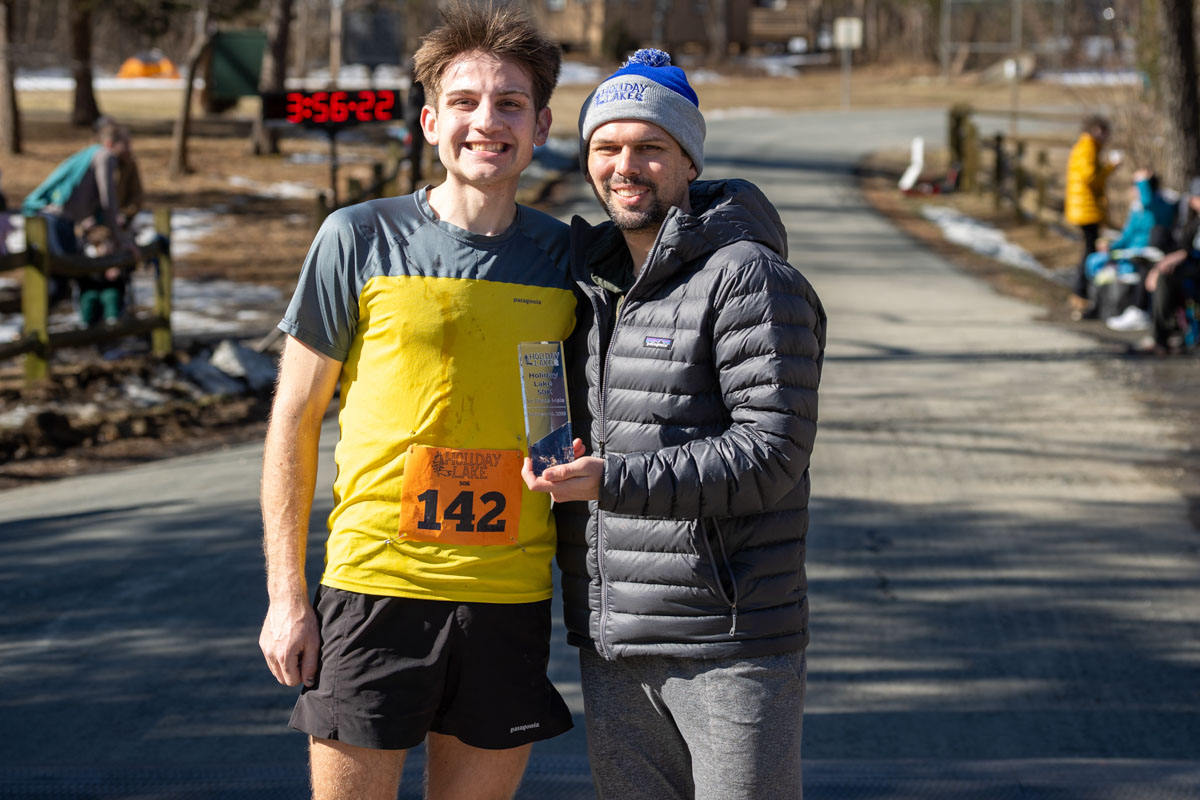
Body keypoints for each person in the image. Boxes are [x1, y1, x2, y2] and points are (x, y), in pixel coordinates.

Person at [258, 5, 575, 799]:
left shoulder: (570, 257)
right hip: (375, 587)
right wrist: (287, 597)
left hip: (509, 595)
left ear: (540, 124)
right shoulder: (356, 237)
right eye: (465, 102)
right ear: (432, 120)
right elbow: (293, 422)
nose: (486, 122)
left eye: (509, 104)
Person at [524, 49, 827, 800]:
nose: (626, 166)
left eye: (650, 148)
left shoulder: (746, 275)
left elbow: (771, 451)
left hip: (728, 642)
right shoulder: (587, 283)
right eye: (607, 147)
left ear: (688, 160)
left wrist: (612, 480)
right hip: (614, 636)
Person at [21, 121, 140, 324]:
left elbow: (91, 205)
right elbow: (108, 202)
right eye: (126, 144)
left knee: (61, 279)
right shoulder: (104, 156)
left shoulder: (90, 155)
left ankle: (34, 332)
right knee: (59, 278)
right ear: (111, 143)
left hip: (58, 222)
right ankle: (29, 332)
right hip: (54, 222)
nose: (129, 149)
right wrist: (121, 241)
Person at [1083, 169, 1176, 331]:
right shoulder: (1137, 209)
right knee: (1095, 260)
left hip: (1146, 252)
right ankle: (1098, 305)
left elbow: (1147, 201)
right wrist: (1110, 248)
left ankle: (1136, 311)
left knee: (1132, 265)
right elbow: (1127, 235)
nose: (1133, 190)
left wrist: (1141, 179)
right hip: (1129, 251)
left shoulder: (1159, 205)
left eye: (1136, 187)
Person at [1065, 115, 1121, 317]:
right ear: (1097, 130)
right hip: (1086, 209)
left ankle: (1082, 293)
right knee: (1089, 251)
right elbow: (1091, 178)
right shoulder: (1088, 147)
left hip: (1084, 207)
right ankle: (1081, 294)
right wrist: (1110, 168)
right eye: (1104, 132)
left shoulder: (1085, 146)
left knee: (1089, 249)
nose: (1106, 137)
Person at [1142, 177, 1200, 353]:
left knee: (1166, 275)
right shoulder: (1190, 222)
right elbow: (1182, 247)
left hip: (1195, 265)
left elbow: (1186, 250)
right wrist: (1159, 267)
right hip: (1190, 264)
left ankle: (1163, 335)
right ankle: (1163, 335)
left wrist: (1181, 256)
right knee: (1163, 274)